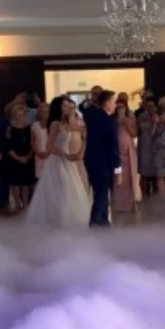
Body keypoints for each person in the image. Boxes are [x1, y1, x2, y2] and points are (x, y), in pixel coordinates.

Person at [26, 97, 91, 228]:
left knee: (70, 190)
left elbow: (81, 128)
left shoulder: (65, 123)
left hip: (67, 161)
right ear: (58, 108)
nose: (68, 108)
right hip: (57, 161)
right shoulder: (55, 124)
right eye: (65, 106)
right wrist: (66, 155)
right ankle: (59, 220)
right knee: (62, 191)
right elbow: (49, 147)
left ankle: (68, 219)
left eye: (68, 106)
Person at [83, 90, 121, 228]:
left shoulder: (90, 116)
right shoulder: (109, 122)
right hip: (104, 164)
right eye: (113, 101)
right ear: (107, 103)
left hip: (90, 161)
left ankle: (104, 223)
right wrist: (118, 170)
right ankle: (94, 225)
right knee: (102, 195)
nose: (115, 105)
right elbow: (113, 148)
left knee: (100, 193)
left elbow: (85, 108)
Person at [4, 104, 36, 212]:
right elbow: (8, 146)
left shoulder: (30, 128)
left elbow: (33, 144)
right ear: (14, 116)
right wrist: (18, 158)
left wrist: (27, 157)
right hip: (14, 159)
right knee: (16, 183)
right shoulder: (9, 129)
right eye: (17, 115)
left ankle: (25, 204)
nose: (20, 117)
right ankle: (17, 204)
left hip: (27, 158)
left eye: (22, 115)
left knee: (25, 183)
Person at [113, 97, 140, 212]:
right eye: (118, 106)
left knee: (129, 176)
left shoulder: (131, 118)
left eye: (122, 106)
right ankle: (118, 203)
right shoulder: (112, 119)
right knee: (118, 176)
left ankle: (129, 202)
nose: (120, 109)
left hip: (128, 150)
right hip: (116, 150)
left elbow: (134, 134)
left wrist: (126, 123)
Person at [136, 95, 158, 197]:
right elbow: (137, 132)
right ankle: (144, 195)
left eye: (152, 106)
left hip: (156, 145)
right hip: (144, 144)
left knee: (156, 172)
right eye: (147, 106)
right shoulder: (141, 116)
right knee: (143, 172)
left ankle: (157, 196)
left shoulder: (158, 117)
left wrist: (154, 122)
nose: (149, 108)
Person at [31, 102, 50, 180]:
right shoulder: (35, 125)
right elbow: (32, 141)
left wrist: (48, 153)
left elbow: (56, 142)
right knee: (40, 178)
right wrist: (37, 152)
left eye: (47, 111)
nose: (45, 114)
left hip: (50, 155)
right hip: (38, 155)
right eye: (43, 111)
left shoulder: (53, 125)